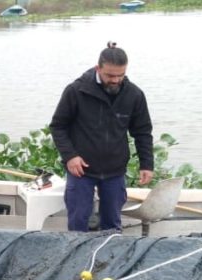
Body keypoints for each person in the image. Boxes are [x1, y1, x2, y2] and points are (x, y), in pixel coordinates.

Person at [50, 41, 154, 232]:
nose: (115, 80)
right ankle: (76, 257)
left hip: (115, 171)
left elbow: (142, 132)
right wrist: (70, 156)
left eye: (120, 75)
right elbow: (58, 127)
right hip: (81, 171)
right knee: (78, 222)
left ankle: (109, 259)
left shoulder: (134, 95)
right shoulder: (76, 91)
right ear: (98, 68)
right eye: (110, 75)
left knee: (113, 224)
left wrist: (146, 164)